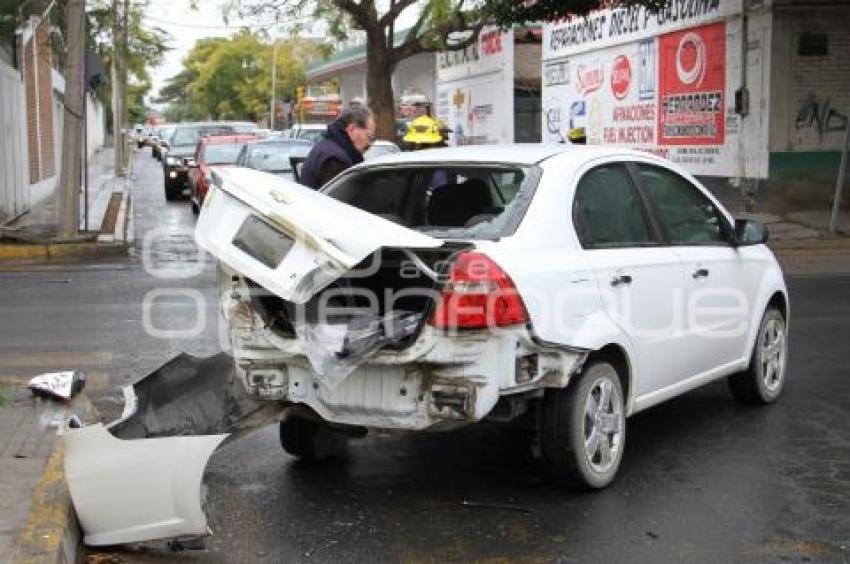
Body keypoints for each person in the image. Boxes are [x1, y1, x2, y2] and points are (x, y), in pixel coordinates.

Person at [299, 106, 376, 189]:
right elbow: (338, 199)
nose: (369, 144)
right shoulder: (336, 159)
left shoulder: (326, 147)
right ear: (352, 129)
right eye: (369, 136)